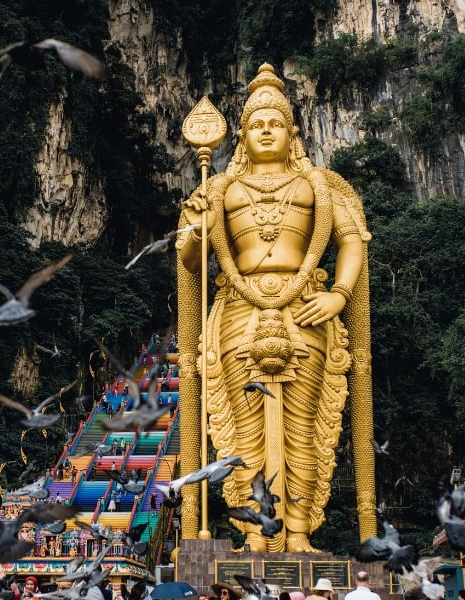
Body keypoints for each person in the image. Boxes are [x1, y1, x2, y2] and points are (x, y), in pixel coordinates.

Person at [177, 62, 373, 552]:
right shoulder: (220, 189)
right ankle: (255, 535)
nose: (267, 131)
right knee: (245, 430)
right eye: (257, 125)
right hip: (240, 310)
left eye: (276, 124)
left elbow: (352, 241)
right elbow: (188, 257)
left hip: (306, 307)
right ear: (242, 135)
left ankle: (301, 532)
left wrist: (339, 295)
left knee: (304, 425)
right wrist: (199, 228)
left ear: (292, 132)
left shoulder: (319, 186)